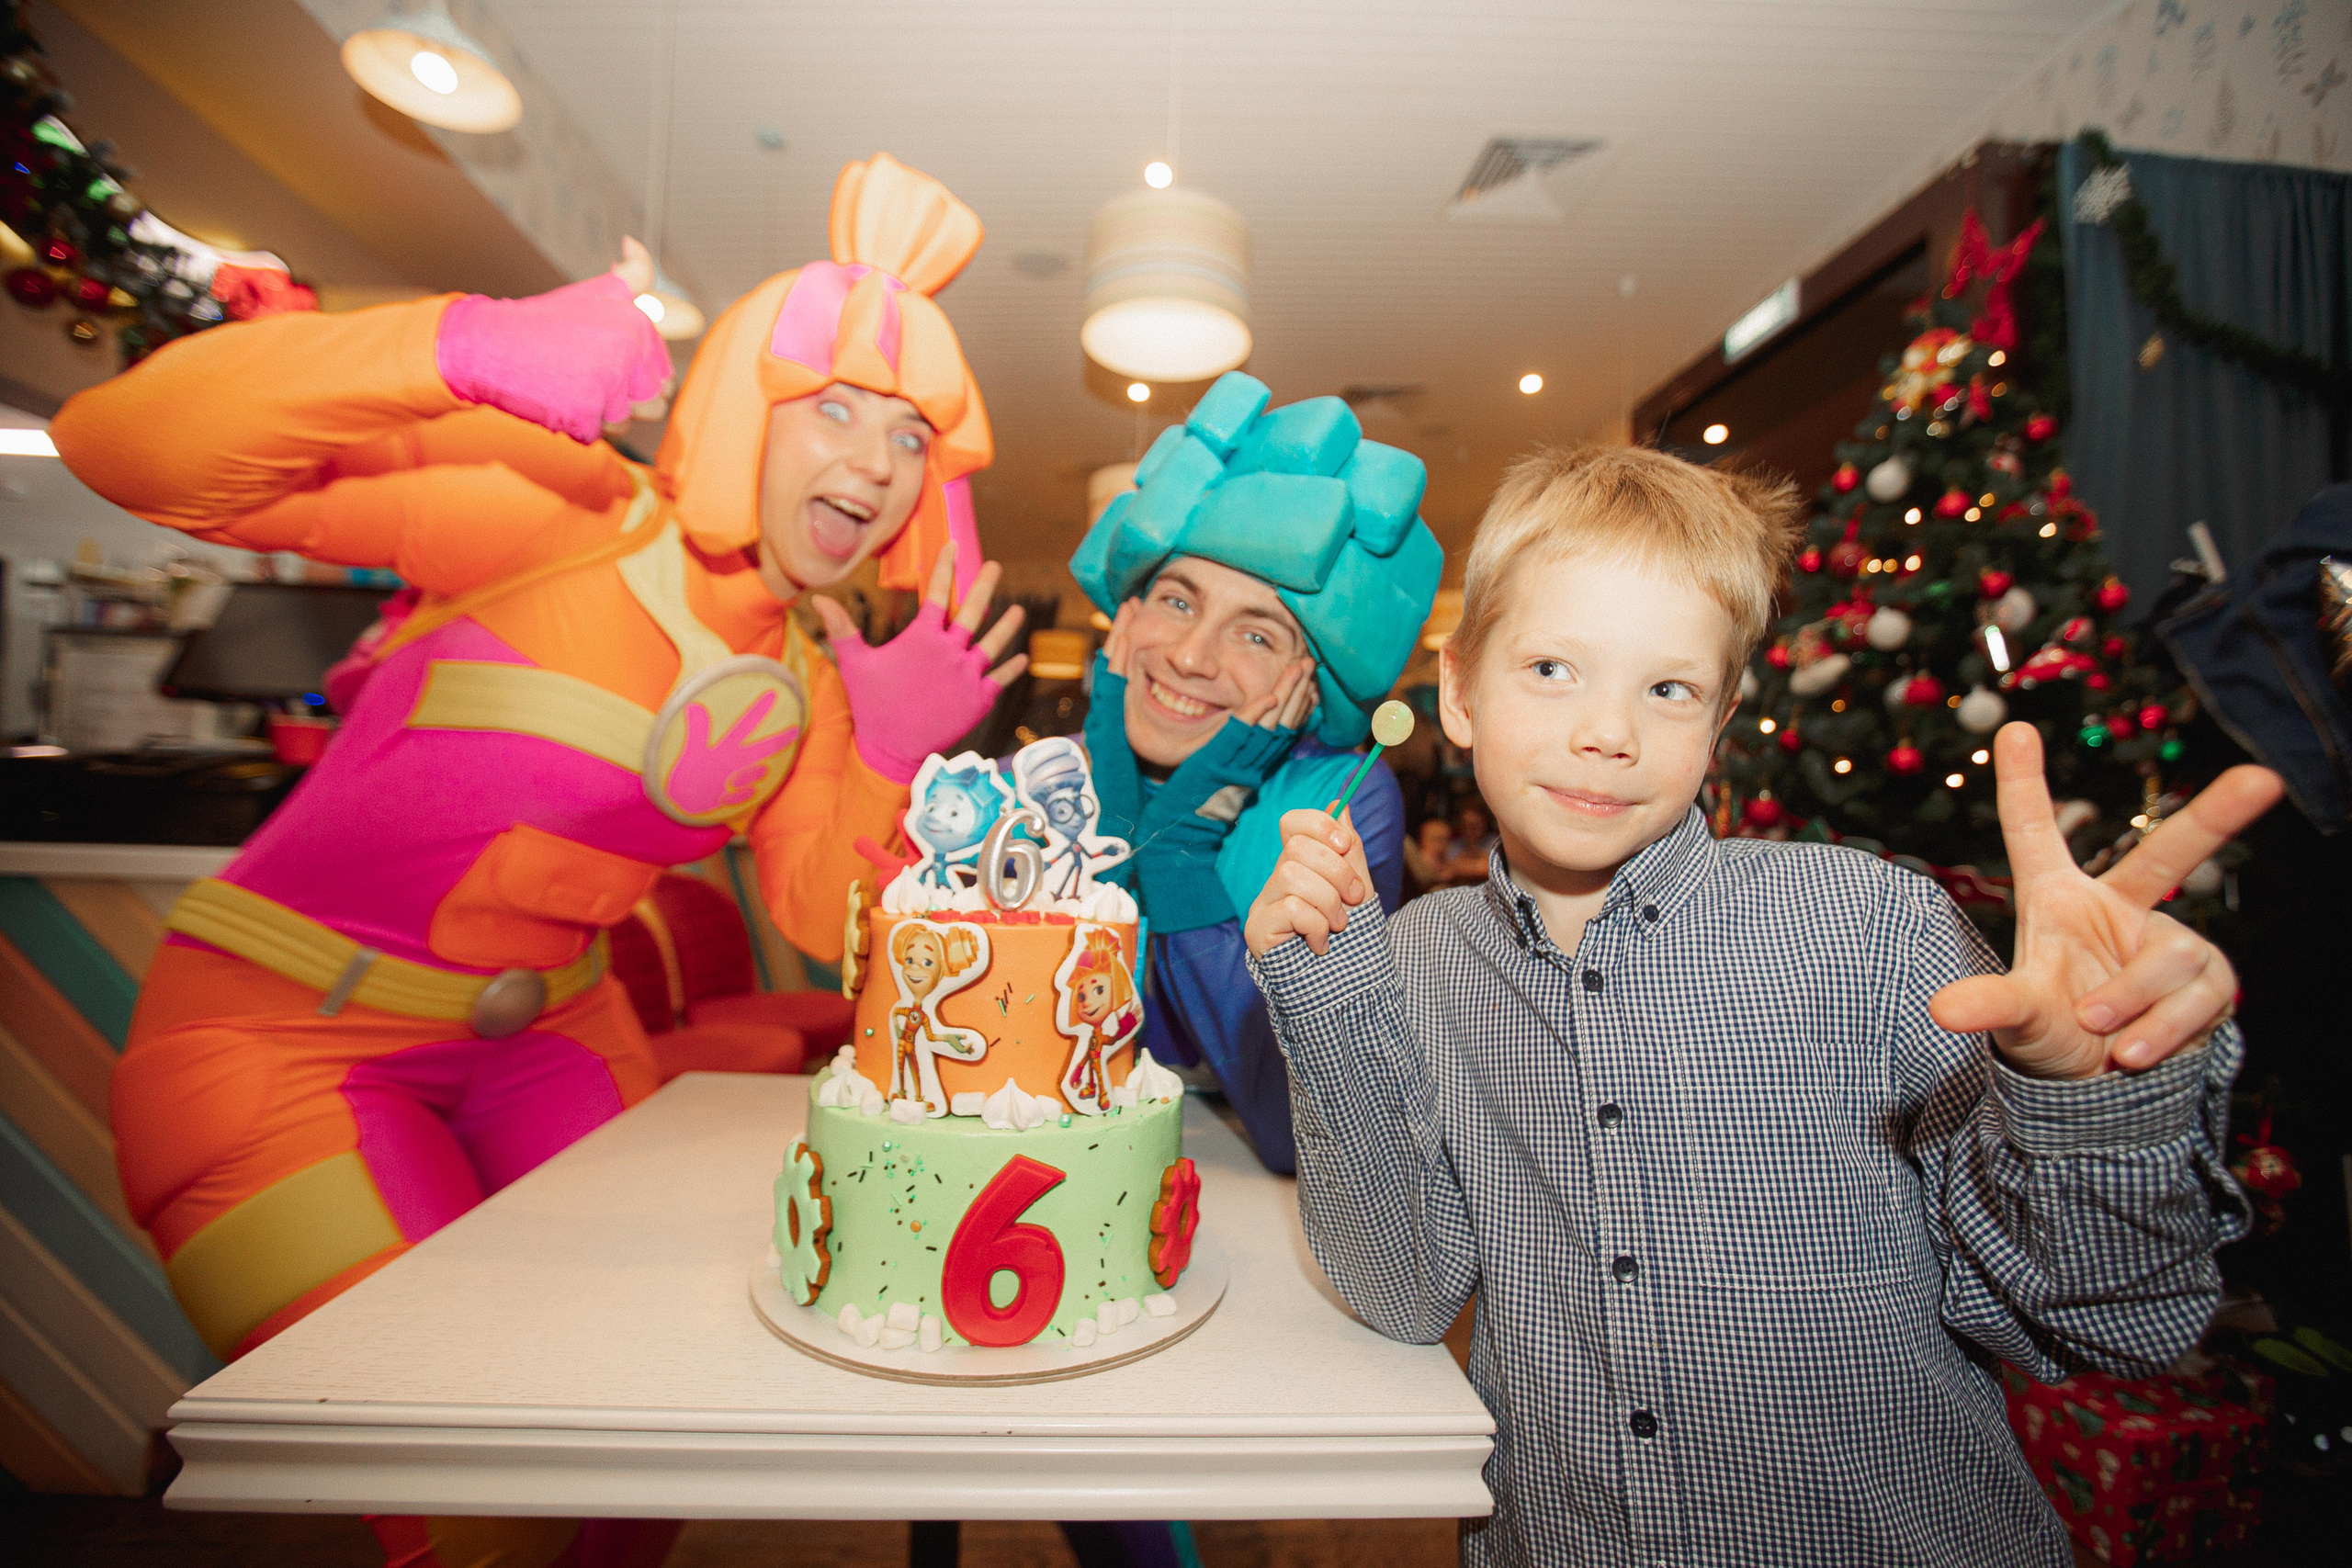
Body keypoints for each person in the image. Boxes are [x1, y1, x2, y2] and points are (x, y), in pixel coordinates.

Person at [52, 154, 1023, 1568]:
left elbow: (822, 919)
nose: (877, 463)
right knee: (471, 1499)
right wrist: (455, 347)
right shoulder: (554, 506)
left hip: (555, 1032)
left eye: (913, 436)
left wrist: (886, 757)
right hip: (281, 1038)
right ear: (746, 399)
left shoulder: (814, 675)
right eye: (835, 407)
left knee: (649, 1440)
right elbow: (121, 444)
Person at [1243, 445, 2280, 1567]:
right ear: (1458, 691)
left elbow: (2113, 1325)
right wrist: (1327, 994)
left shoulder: (1871, 929)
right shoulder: (1421, 957)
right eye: (1552, 668)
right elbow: (1404, 1291)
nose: (1609, 732)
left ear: (1721, 719)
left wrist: (2084, 1096)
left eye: (1668, 688)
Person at [1069, 369, 1443, 1175]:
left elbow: (1293, 1131)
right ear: (1125, 615)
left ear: (1311, 689)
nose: (1192, 655)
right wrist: (1108, 770)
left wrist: (1179, 848)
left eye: (1259, 635)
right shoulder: (1042, 777)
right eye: (1175, 599)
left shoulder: (1338, 804)